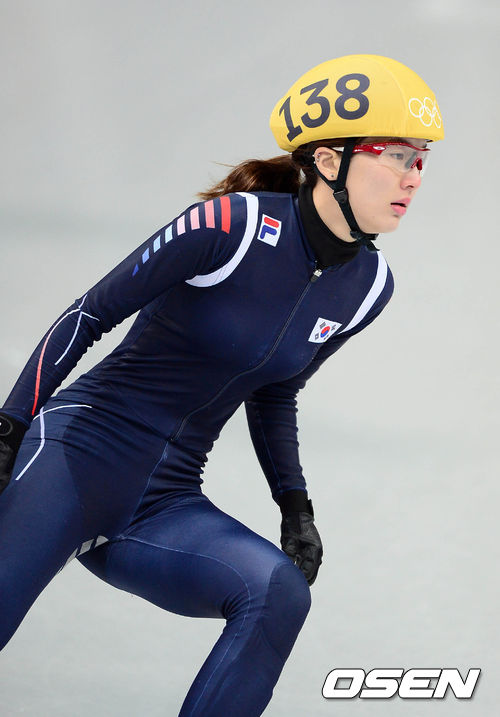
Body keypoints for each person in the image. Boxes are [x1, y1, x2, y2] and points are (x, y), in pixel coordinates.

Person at [0, 54, 443, 715]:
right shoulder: (232, 224)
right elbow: (88, 314)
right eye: (397, 155)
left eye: (422, 160)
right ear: (328, 160)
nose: (414, 176)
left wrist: (295, 507)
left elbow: (276, 392)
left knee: (278, 590)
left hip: (164, 502)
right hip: (75, 458)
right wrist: (10, 426)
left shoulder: (369, 287)